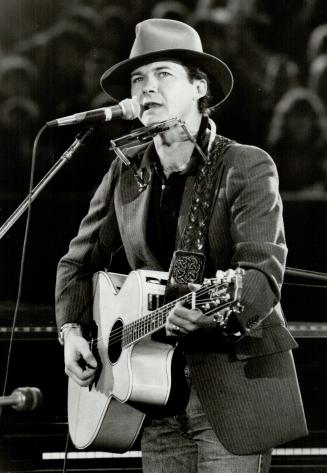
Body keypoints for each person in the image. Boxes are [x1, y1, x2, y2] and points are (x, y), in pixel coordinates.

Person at [55, 18, 307, 473]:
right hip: (153, 399)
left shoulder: (245, 165)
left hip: (232, 388)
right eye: (137, 79)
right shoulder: (125, 172)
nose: (146, 88)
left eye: (162, 74)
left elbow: (261, 274)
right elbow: (77, 262)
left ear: (199, 87)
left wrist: (219, 309)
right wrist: (71, 333)